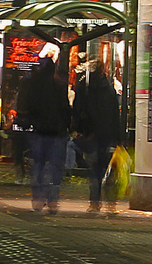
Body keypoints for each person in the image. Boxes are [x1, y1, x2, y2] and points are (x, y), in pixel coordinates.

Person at [16, 56, 71, 213]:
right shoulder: (58, 86)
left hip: (39, 130)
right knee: (55, 168)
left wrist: (27, 121)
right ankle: (53, 200)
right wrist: (67, 126)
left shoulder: (32, 85)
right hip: (56, 132)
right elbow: (65, 108)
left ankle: (38, 198)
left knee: (38, 166)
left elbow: (26, 107)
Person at [72, 59, 123, 213]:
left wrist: (78, 129)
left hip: (91, 135)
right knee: (108, 170)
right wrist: (119, 138)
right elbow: (115, 115)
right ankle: (111, 203)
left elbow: (77, 110)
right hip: (107, 135)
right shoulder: (109, 90)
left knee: (94, 170)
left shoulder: (85, 89)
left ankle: (94, 203)